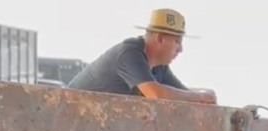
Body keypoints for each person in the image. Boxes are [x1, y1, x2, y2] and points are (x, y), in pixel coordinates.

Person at [67, 9, 217, 105]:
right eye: (177, 42)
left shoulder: (159, 68)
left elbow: (184, 96)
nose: (180, 49)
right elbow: (155, 94)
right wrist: (199, 96)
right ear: (159, 39)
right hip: (69, 116)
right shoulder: (130, 54)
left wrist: (201, 98)